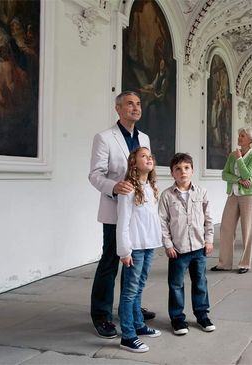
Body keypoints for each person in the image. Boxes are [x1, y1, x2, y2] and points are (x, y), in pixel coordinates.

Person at [88, 91, 155, 339]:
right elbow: (95, 174)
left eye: (138, 104)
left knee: (135, 263)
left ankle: (131, 308)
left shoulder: (144, 137)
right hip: (114, 210)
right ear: (118, 109)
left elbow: (145, 170)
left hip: (139, 213)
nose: (135, 108)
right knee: (109, 263)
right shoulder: (104, 138)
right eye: (129, 104)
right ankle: (102, 315)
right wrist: (114, 187)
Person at [158, 153, 216, 336]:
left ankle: (202, 314)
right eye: (178, 169)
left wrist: (209, 240)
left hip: (199, 247)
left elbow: (208, 219)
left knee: (200, 282)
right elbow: (162, 222)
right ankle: (177, 318)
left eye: (186, 168)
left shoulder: (201, 192)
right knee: (176, 284)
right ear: (172, 173)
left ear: (192, 171)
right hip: (178, 249)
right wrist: (167, 244)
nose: (182, 172)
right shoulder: (167, 196)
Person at [116, 147, 162, 353]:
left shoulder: (151, 187)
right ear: (133, 163)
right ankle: (127, 335)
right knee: (129, 292)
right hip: (134, 247)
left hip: (149, 244)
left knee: (139, 287)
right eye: (143, 156)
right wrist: (124, 251)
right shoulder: (128, 188)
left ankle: (138, 324)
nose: (149, 158)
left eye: (150, 156)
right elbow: (123, 221)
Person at [211, 127, 252, 274]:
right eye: (239, 135)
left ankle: (245, 264)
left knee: (248, 229)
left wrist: (239, 159)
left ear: (250, 140)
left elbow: (248, 174)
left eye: (242, 136)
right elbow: (224, 174)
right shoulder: (232, 155)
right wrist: (238, 179)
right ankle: (224, 263)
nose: (239, 138)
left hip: (248, 196)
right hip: (233, 194)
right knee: (226, 228)